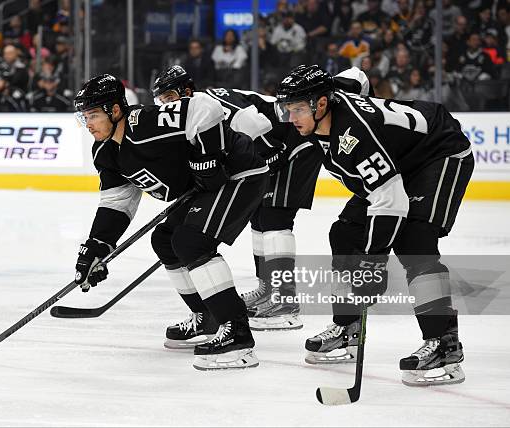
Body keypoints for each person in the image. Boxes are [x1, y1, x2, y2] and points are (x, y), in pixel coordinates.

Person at [275, 64, 473, 386]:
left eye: (297, 109)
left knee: (415, 242)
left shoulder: (354, 135)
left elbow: (392, 204)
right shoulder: (326, 106)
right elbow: (356, 75)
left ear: (321, 104)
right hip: (396, 162)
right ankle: (348, 327)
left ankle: (444, 345)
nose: (292, 118)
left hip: (439, 151)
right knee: (344, 233)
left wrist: (372, 261)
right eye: (288, 109)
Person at [152, 65, 371, 332]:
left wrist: (271, 154)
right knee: (261, 215)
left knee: (274, 216)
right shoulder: (189, 115)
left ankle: (285, 300)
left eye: (169, 97)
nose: (166, 105)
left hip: (293, 140)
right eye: (161, 101)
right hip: (279, 140)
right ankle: (269, 289)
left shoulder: (207, 103)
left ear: (186, 91)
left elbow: (256, 123)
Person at [73, 73, 269, 370]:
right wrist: (98, 245)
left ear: (115, 110)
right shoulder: (105, 151)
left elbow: (204, 107)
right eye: (83, 117)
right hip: (206, 186)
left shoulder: (145, 123)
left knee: (191, 242)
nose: (88, 124)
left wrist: (208, 159)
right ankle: (207, 317)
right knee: (164, 240)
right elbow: (118, 201)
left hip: (240, 173)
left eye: (93, 115)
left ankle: (238, 335)